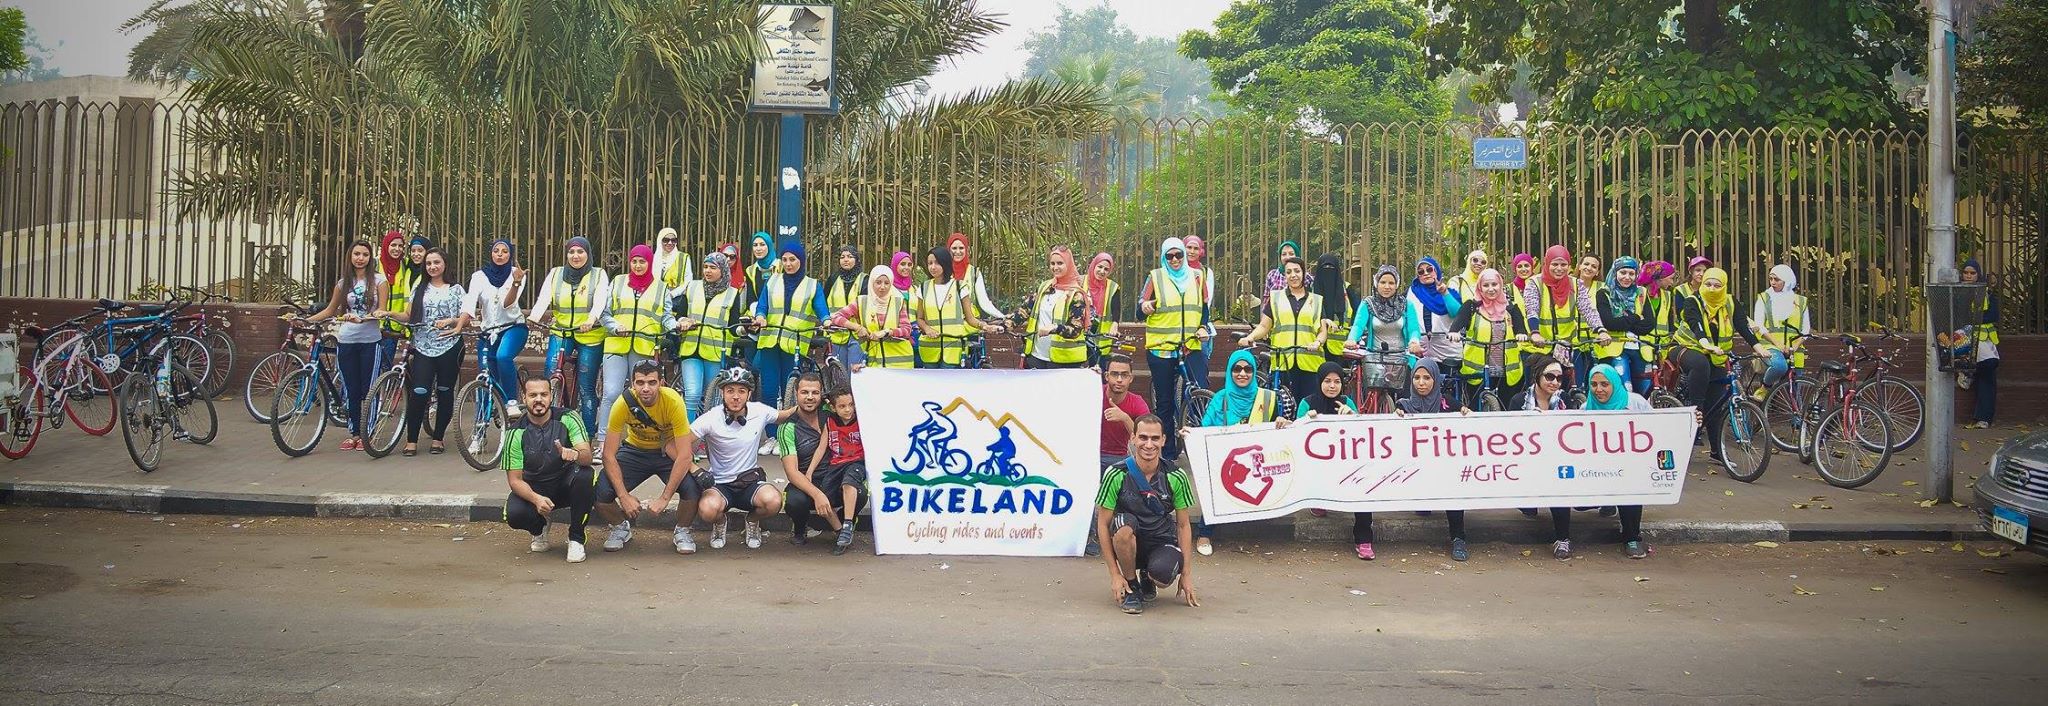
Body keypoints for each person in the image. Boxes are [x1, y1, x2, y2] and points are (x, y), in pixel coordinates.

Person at [594, 361, 701, 554]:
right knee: (601, 491)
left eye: (651, 382)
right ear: (632, 384)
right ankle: (620, 527)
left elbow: (685, 456)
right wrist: (623, 496)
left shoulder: (674, 401)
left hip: (666, 452)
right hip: (635, 450)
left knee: (692, 488)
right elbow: (608, 454)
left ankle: (683, 530)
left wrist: (664, 498)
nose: (645, 388)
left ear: (662, 383)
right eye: (640, 383)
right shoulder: (622, 404)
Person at [1188, 349, 1288, 556]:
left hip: (1258, 462)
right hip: (1228, 461)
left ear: (1253, 373)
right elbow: (1204, 429)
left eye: (1247, 369)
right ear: (1229, 372)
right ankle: (1204, 533)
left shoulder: (1267, 399)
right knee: (1214, 484)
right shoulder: (1221, 399)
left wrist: (1282, 422)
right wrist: (1190, 434)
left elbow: (1279, 435)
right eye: (1236, 369)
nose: (1242, 374)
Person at [1097, 414, 1200, 614]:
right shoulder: (1115, 474)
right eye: (1143, 437)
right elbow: (1102, 524)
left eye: (1155, 438)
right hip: (1127, 540)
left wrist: (1186, 574)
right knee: (1123, 529)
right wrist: (1114, 574)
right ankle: (1131, 587)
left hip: (1160, 539)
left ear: (1163, 440)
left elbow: (1183, 525)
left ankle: (1148, 574)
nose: (1149, 444)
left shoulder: (1176, 476)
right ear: (1133, 438)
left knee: (1163, 576)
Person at [1372, 359, 1473, 561]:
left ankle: (1458, 538)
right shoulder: (1404, 405)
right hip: (1414, 469)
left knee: (1453, 490)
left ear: (1436, 380)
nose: (1421, 383)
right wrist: (1397, 416)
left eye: (1427, 378)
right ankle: (1424, 498)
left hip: (1444, 467)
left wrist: (1466, 413)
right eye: (1417, 378)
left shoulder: (1447, 403)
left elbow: (1467, 424)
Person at [1551, 364, 1654, 560]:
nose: (1599, 390)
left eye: (1605, 384)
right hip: (1595, 470)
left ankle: (1632, 537)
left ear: (1615, 383)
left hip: (1627, 468)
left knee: (1631, 482)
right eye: (1594, 384)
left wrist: (1692, 421)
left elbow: (1659, 428)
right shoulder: (1585, 409)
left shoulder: (1636, 403)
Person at [299, 240, 385, 451]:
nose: (360, 258)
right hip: (346, 340)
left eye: (365, 254)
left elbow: (381, 311)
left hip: (370, 340)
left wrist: (363, 317)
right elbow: (330, 311)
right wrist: (305, 321)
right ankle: (354, 433)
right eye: (356, 254)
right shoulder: (342, 283)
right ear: (350, 256)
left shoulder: (380, 282)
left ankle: (368, 433)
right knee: (351, 389)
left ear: (370, 257)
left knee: (369, 389)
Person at [690, 366, 788, 550]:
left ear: (749, 394)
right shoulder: (710, 417)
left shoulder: (759, 411)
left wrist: (810, 402)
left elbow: (784, 416)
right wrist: (693, 469)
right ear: (722, 393)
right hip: (719, 483)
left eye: (741, 391)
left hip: (748, 481)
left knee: (774, 501)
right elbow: (678, 445)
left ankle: (752, 521)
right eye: (730, 391)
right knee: (707, 510)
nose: (736, 396)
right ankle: (720, 522)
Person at [501, 377, 596, 563]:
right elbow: (515, 480)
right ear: (524, 397)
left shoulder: (569, 417)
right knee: (513, 514)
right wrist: (536, 499)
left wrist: (575, 454)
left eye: (544, 394)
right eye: (533, 395)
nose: (539, 399)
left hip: (565, 485)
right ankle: (539, 527)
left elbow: (588, 456)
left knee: (585, 474)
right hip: (535, 489)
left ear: (551, 396)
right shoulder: (515, 432)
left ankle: (576, 538)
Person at [1671, 268, 1757, 463]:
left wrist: (1758, 347)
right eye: (1708, 284)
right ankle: (1696, 409)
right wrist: (1706, 345)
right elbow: (1696, 326)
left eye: (1717, 285)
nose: (1711, 288)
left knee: (1716, 403)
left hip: (1716, 355)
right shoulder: (1693, 300)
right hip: (1685, 347)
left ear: (1724, 286)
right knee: (1701, 365)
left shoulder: (1729, 301)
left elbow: (1742, 326)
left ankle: (1717, 452)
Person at [526, 236, 609, 431]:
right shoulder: (556, 273)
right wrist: (534, 317)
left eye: (580, 252)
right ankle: (547, 425)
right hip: (562, 331)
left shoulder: (598, 274)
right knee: (551, 370)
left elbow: (600, 300)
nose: (575, 256)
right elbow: (544, 297)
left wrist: (591, 319)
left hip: (590, 334)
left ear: (587, 254)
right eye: (571, 252)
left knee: (586, 387)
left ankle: (587, 435)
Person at [1140, 237, 1210, 459]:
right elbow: (1139, 309)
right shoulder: (1156, 277)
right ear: (1164, 257)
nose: (1175, 259)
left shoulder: (1198, 276)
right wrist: (1146, 307)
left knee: (1200, 392)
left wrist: (1202, 327)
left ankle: (1203, 448)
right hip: (1161, 349)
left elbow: (1204, 308)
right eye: (1169, 256)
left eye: (1178, 254)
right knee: (1165, 403)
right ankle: (1168, 454)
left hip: (1190, 345)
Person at [598, 244, 673, 447]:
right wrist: (615, 327)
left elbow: (666, 318)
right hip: (616, 345)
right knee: (611, 393)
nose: (638, 265)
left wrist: (679, 325)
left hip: (644, 346)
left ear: (649, 263)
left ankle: (640, 441)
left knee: (641, 393)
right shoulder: (618, 282)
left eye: (642, 261)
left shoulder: (661, 288)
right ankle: (603, 442)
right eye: (634, 261)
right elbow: (604, 313)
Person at [397, 248, 470, 457]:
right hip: (422, 347)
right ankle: (412, 440)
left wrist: (452, 321)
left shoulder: (456, 289)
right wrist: (387, 313)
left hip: (450, 345)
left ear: (444, 264)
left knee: (445, 391)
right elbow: (407, 315)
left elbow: (466, 317)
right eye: (428, 264)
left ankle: (438, 438)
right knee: (419, 392)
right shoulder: (419, 289)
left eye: (436, 262)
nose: (432, 267)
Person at [752, 238, 828, 421]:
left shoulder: (812, 285)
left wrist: (826, 321)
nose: (788, 264)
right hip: (770, 341)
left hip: (794, 343)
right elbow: (763, 306)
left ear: (801, 261)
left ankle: (788, 431)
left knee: (791, 389)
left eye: (793, 259)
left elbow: (822, 310)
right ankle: (771, 435)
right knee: (769, 389)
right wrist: (760, 316)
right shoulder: (772, 281)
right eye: (785, 260)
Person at [1239, 256, 1327, 403]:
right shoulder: (1276, 298)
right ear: (1285, 275)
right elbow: (1264, 326)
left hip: (1310, 364)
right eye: (1289, 272)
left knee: (1308, 408)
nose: (1293, 275)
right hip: (1283, 363)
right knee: (1284, 408)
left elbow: (1322, 331)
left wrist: (1317, 342)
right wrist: (1250, 337)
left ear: (1304, 273)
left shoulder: (1316, 300)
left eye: (1297, 271)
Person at [1522, 245, 1610, 389]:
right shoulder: (1535, 283)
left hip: (1565, 347)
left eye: (1563, 265)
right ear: (1547, 263)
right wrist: (1535, 333)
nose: (1559, 268)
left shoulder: (1575, 283)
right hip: (1540, 347)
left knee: (1572, 387)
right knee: (1538, 390)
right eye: (1555, 264)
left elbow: (1587, 309)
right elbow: (1532, 310)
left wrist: (1600, 329)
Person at [671, 252, 746, 419]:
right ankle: (688, 437)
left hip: (715, 353)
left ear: (723, 270)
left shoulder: (732, 294)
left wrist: (745, 330)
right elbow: (678, 315)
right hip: (690, 349)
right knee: (692, 394)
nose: (708, 271)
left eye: (713, 267)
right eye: (705, 267)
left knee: (711, 398)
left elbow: (734, 327)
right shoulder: (692, 287)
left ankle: (708, 438)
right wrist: (683, 321)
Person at [464, 239, 527, 417]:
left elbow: (508, 304)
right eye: (496, 250)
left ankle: (511, 402)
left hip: (513, 327)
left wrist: (516, 283)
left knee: (503, 356)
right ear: (490, 253)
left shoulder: (517, 273)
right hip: (488, 332)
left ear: (510, 255)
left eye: (504, 251)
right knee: (485, 378)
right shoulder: (479, 276)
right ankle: (479, 432)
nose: (500, 254)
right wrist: (459, 323)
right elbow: (470, 301)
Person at [1450, 269, 1529, 407]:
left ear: (1500, 285)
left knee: (1507, 408)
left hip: (1507, 370)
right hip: (1478, 371)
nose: (1491, 289)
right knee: (1475, 407)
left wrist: (1521, 334)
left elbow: (1520, 328)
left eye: (1494, 284)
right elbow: (1457, 323)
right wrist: (1454, 333)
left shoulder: (1510, 308)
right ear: (1480, 287)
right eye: (1486, 285)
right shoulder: (1471, 307)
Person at [912, 245, 996, 369]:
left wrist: (984, 326)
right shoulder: (923, 288)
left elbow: (970, 318)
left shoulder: (959, 287)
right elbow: (920, 318)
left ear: (945, 263)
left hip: (952, 349)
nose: (933, 267)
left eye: (937, 263)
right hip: (929, 350)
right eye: (930, 263)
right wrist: (927, 329)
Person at [1944, 259, 2000, 428]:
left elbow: (1993, 315)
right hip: (1963, 340)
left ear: (1978, 274)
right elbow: (1956, 316)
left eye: (1972, 273)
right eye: (1966, 272)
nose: (1968, 276)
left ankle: (1983, 417)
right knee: (1988, 369)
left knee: (1989, 371)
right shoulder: (1958, 292)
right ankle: (1967, 370)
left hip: (1984, 341)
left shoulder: (1986, 293)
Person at [829, 265, 915, 370]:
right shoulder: (861, 302)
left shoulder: (899, 302)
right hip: (874, 361)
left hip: (900, 362)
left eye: (887, 283)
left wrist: (887, 332)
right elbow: (836, 317)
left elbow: (907, 329)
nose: (882, 287)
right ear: (871, 283)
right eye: (878, 282)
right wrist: (857, 327)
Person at [1593, 257, 1655, 398]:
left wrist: (1624, 322)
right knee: (1626, 389)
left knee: (1646, 392)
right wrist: (1636, 317)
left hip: (1640, 349)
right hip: (1614, 350)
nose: (1627, 277)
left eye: (1631, 274)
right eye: (1623, 273)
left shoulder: (1641, 293)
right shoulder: (1604, 293)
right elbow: (1610, 324)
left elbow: (1649, 324)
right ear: (1615, 273)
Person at [1021, 246, 1091, 369]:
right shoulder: (1045, 286)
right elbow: (1024, 310)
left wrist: (1055, 328)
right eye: (1052, 263)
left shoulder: (1076, 295)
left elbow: (1075, 329)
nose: (1055, 267)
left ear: (1068, 265)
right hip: (1037, 356)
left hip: (1064, 361)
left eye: (1060, 263)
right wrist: (1003, 325)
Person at [1749, 263, 1809, 394]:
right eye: (1771, 279)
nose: (1772, 282)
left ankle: (1795, 414)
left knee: (1794, 391)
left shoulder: (1801, 301)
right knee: (1779, 366)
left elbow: (1805, 330)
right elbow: (1760, 325)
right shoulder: (1764, 298)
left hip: (1795, 350)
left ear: (1787, 281)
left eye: (1777, 279)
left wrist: (1793, 347)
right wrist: (1779, 345)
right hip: (1771, 347)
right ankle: (1764, 388)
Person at [1346, 265, 1424, 358]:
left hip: (1402, 358)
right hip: (1374, 358)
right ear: (1376, 283)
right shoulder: (1368, 303)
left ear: (1397, 285)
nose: (1387, 287)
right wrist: (1352, 339)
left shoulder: (1406, 304)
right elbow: (1358, 326)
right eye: (1383, 282)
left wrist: (1414, 342)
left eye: (1391, 283)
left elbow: (1413, 329)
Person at [1409, 256, 1464, 368]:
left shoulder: (1451, 293)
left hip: (1447, 352)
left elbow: (1457, 314)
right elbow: (1407, 318)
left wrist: (1444, 293)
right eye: (1421, 271)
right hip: (1420, 353)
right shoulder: (1412, 292)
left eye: (1429, 269)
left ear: (1437, 271)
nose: (1425, 273)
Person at [1635, 260, 1680, 395]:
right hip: (1642, 344)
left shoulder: (1667, 295)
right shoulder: (1639, 293)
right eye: (1670, 279)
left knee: (1661, 382)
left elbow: (1669, 320)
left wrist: (1673, 338)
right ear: (1659, 277)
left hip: (1661, 345)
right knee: (1644, 381)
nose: (1672, 283)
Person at [822, 245, 869, 370]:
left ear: (857, 260)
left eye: (850, 257)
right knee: (839, 375)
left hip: (857, 335)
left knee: (855, 374)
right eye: (842, 257)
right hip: (836, 333)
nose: (845, 260)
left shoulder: (865, 279)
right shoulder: (833, 279)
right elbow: (823, 302)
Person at [1099, 354, 1150, 469]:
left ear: (1131, 378)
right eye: (1114, 374)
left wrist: (1125, 418)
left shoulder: (1137, 402)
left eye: (1124, 375)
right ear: (1106, 376)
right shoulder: (1094, 392)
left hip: (1118, 458)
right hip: (1089, 455)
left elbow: (1147, 436)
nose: (1119, 380)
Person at [376, 231, 417, 371]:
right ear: (386, 245)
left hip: (394, 324)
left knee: (385, 366)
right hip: (374, 323)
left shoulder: (405, 265)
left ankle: (382, 393)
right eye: (393, 245)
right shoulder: (376, 264)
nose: (397, 249)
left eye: (400, 246)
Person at [1309, 254, 1353, 381]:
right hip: (1315, 346)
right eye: (1325, 267)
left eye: (1331, 267)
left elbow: (1358, 311)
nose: (1328, 271)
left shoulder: (1346, 288)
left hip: (1339, 348)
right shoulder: (1310, 289)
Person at [946, 232, 1008, 320]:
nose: (958, 252)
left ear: (966, 250)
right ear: (948, 250)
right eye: (954, 248)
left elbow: (984, 302)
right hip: (947, 325)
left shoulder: (974, 273)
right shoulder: (942, 271)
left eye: (961, 248)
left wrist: (1002, 316)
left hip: (970, 325)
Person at [1084, 252, 1121, 365]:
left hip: (1101, 339)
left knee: (1100, 372)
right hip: (1081, 335)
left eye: (1106, 269)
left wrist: (1115, 325)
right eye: (1099, 267)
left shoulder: (1113, 287)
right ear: (1093, 265)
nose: (1102, 271)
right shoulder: (1081, 281)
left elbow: (1116, 309)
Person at [743, 232, 775, 301]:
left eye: (762, 245)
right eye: (755, 245)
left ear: (769, 246)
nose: (758, 249)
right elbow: (750, 298)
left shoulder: (781, 266)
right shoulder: (750, 271)